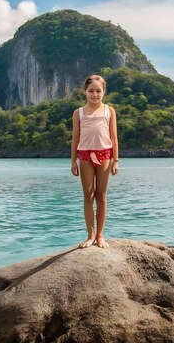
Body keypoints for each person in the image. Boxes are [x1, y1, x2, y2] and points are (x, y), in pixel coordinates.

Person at [71, 74, 119, 249]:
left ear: (104, 92)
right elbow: (75, 138)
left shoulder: (109, 111)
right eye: (91, 91)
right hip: (84, 155)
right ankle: (90, 234)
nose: (94, 94)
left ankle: (100, 235)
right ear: (85, 92)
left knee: (102, 197)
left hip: (105, 155)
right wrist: (73, 161)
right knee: (88, 196)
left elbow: (113, 137)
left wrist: (116, 160)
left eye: (98, 91)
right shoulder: (79, 113)